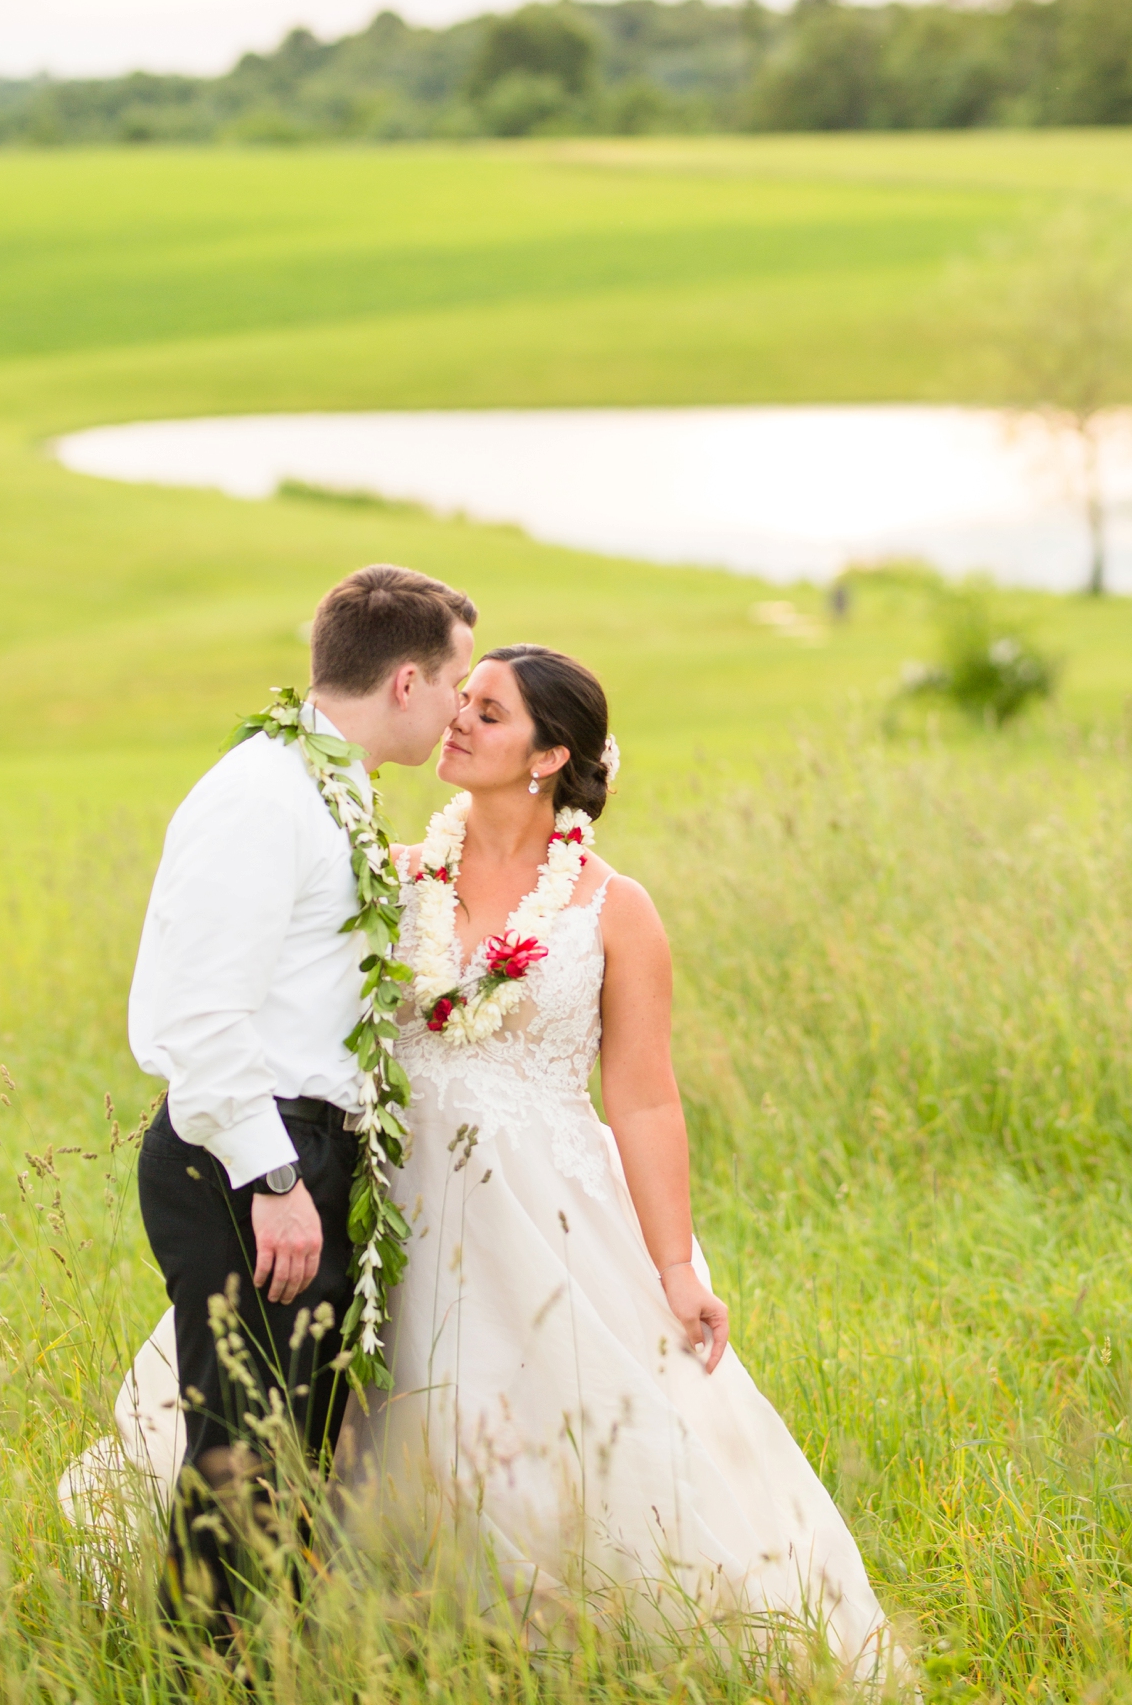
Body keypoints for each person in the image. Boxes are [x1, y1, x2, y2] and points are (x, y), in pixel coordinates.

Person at [346, 644, 894, 1673]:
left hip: (544, 1213)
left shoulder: (613, 909)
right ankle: (404, 1626)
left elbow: (642, 1098)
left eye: (489, 713)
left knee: (564, 1433)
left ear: (549, 754)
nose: (456, 721)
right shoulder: (395, 874)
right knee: (398, 1417)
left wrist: (676, 1266)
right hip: (397, 1199)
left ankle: (572, 1637)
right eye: (461, 702)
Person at [127, 563, 476, 1636]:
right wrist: (272, 1173)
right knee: (240, 1453)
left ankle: (274, 1660)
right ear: (408, 682)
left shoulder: (331, 787)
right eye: (460, 682)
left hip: (301, 1152)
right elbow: (199, 1013)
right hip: (245, 1155)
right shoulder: (261, 793)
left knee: (294, 1452)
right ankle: (209, 1672)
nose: (464, 707)